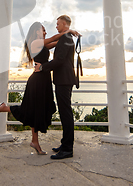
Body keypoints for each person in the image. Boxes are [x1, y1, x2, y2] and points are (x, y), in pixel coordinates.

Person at [0, 22, 79, 155]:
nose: (45, 32)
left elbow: (57, 42)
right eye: (43, 30)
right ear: (37, 31)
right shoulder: (35, 43)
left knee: (37, 110)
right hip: (38, 80)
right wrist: (69, 31)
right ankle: (4, 108)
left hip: (44, 79)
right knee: (32, 109)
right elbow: (53, 39)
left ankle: (35, 141)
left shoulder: (42, 44)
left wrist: (68, 39)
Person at [35, 15, 78, 160]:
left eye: (58, 24)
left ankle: (67, 149)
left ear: (64, 24)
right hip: (64, 80)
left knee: (66, 114)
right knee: (65, 113)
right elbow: (51, 46)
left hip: (64, 81)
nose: (56, 26)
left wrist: (42, 68)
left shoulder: (65, 39)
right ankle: (65, 144)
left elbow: (59, 60)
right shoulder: (65, 37)